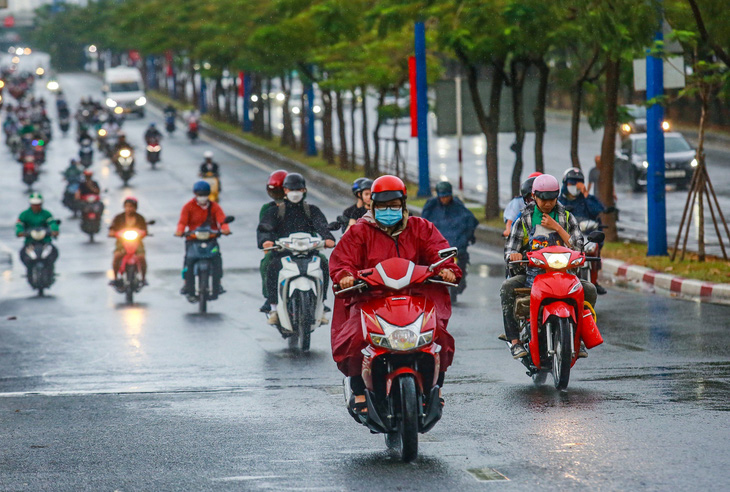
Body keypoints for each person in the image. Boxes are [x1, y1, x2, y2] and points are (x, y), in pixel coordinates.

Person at [329, 175, 460, 414]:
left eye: (394, 206)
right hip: (370, 298)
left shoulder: (421, 227)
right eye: (382, 206)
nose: (388, 211)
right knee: (356, 337)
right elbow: (342, 260)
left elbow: (439, 252)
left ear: (403, 205)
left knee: (439, 335)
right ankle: (359, 388)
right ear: (372, 206)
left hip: (415, 298)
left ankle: (436, 387)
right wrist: (345, 275)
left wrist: (447, 270)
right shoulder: (359, 231)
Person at [501, 174, 597, 359]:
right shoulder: (523, 220)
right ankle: (514, 341)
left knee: (590, 290)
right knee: (507, 288)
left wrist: (557, 227)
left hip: (565, 276)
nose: (547, 203)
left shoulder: (567, 217)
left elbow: (578, 247)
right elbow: (510, 250)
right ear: (534, 196)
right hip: (531, 275)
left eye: (551, 198)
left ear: (557, 196)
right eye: (543, 199)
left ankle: (582, 337)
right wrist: (513, 255)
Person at [258, 173, 336, 324]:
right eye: (291, 189)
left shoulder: (310, 210)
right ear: (285, 190)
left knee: (324, 263)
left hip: (309, 252)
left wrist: (328, 238)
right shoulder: (276, 211)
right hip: (283, 253)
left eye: (299, 189)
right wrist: (266, 240)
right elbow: (265, 227)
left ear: (304, 190)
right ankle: (273, 306)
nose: (295, 193)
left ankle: (322, 302)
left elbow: (321, 225)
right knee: (272, 266)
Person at [175, 181, 231, 301]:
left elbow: (222, 220)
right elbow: (182, 222)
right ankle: (187, 284)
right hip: (192, 240)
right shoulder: (188, 206)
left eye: (204, 194)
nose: (202, 196)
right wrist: (179, 231)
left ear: (208, 194)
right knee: (188, 261)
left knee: (217, 260)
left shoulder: (215, 206)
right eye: (200, 194)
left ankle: (218, 283)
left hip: (211, 239)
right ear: (195, 194)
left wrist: (225, 229)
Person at [421, 180, 478, 294]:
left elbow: (469, 221)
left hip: (456, 245)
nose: (444, 199)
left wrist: (468, 237)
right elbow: (424, 225)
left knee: (461, 260)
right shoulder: (431, 206)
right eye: (442, 197)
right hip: (438, 246)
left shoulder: (458, 206)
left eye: (446, 196)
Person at [559, 167, 607, 294]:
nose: (575, 185)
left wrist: (585, 193)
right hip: (567, 237)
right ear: (565, 183)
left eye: (578, 182)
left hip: (586, 236)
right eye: (572, 182)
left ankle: (595, 281)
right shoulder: (559, 201)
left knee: (595, 250)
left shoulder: (587, 199)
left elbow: (597, 210)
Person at [258, 170, 288, 312]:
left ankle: (320, 299)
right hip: (279, 248)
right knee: (267, 263)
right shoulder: (268, 209)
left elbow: (312, 226)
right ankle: (271, 301)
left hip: (302, 246)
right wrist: (267, 243)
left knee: (322, 261)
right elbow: (264, 228)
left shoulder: (303, 207)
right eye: (275, 192)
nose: (279, 197)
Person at [108, 197, 148, 286]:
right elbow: (112, 228)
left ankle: (143, 278)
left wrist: (143, 233)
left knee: (141, 257)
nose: (129, 209)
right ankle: (115, 277)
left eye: (132, 207)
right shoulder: (118, 218)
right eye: (127, 206)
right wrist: (112, 233)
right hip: (122, 242)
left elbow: (145, 230)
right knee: (117, 255)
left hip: (137, 243)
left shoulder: (140, 218)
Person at [16, 193, 59, 271]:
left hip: (45, 241)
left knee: (53, 252)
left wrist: (54, 230)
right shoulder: (25, 214)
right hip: (30, 241)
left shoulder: (46, 214)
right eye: (34, 204)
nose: (36, 206)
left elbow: (52, 223)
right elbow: (19, 225)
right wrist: (20, 232)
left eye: (38, 204)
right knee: (23, 253)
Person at [503, 172, 542, 237]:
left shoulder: (557, 208)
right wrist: (509, 230)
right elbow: (511, 220)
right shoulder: (519, 204)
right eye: (531, 197)